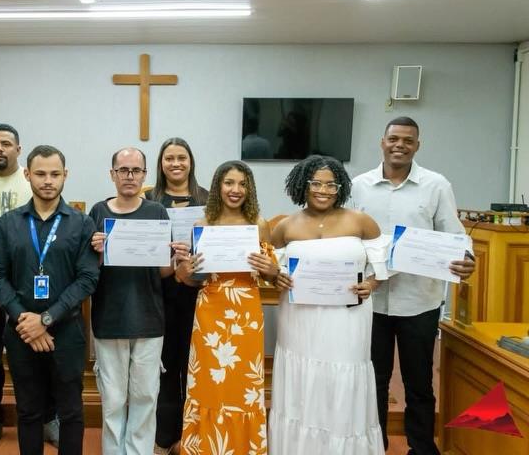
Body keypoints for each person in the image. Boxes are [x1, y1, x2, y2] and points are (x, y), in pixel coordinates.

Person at [351, 117, 474, 454]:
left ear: (417, 146)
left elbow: (454, 235)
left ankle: (421, 448)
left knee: (419, 382)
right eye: (394, 139)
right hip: (371, 301)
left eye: (408, 140)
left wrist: (467, 259)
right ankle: (374, 446)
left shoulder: (436, 185)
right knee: (373, 382)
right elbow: (347, 233)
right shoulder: (359, 186)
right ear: (382, 142)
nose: (400, 145)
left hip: (419, 301)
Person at [267, 155, 387, 454]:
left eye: (331, 184)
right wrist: (275, 278)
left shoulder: (360, 221)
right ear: (302, 185)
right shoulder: (284, 226)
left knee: (344, 378)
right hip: (299, 321)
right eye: (316, 183)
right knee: (301, 382)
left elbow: (383, 266)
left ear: (340, 187)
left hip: (347, 320)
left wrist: (371, 284)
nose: (323, 190)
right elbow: (270, 269)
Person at [0, 145, 99, 455]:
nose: (48, 181)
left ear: (65, 175)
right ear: (27, 175)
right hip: (21, 331)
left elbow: (87, 278)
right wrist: (25, 321)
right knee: (28, 410)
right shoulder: (8, 223)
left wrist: (46, 319)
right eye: (40, 174)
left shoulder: (81, 223)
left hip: (67, 331)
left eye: (54, 174)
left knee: (71, 411)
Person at [175, 160, 278, 455]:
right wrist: (186, 270)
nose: (236, 190)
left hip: (247, 312)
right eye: (229, 182)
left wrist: (270, 268)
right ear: (218, 186)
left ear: (250, 189)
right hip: (210, 311)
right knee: (209, 385)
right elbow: (190, 280)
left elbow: (272, 277)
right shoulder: (203, 225)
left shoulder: (259, 224)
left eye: (243, 184)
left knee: (242, 387)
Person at [89, 147, 182, 455]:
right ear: (112, 174)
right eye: (123, 170)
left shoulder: (157, 212)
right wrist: (97, 253)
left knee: (145, 397)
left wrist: (179, 260)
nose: (129, 176)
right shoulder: (98, 212)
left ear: (144, 175)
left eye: (136, 170)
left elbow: (163, 270)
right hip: (109, 318)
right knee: (113, 399)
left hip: (149, 317)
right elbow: (88, 270)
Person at [0, 123, 60, 449]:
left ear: (18, 149)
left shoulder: (32, 183)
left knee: (42, 348)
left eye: (6, 143)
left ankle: (49, 417)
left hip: (28, 280)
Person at [144, 137, 208, 455]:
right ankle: (165, 436)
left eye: (182, 157)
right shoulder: (148, 200)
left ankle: (192, 437)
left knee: (195, 367)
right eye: (169, 158)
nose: (176, 163)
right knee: (166, 367)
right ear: (161, 164)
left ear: (191, 162)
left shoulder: (208, 199)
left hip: (200, 294)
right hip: (159, 294)